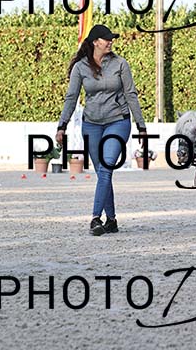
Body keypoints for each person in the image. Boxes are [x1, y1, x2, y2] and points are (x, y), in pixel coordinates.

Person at [56, 24, 147, 236]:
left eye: (111, 38)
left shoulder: (120, 64)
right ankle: (111, 220)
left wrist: (141, 126)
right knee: (102, 174)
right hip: (91, 124)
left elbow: (131, 95)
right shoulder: (80, 67)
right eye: (107, 39)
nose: (110, 41)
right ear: (95, 42)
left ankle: (95, 218)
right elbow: (71, 98)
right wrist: (62, 125)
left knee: (106, 169)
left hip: (118, 121)